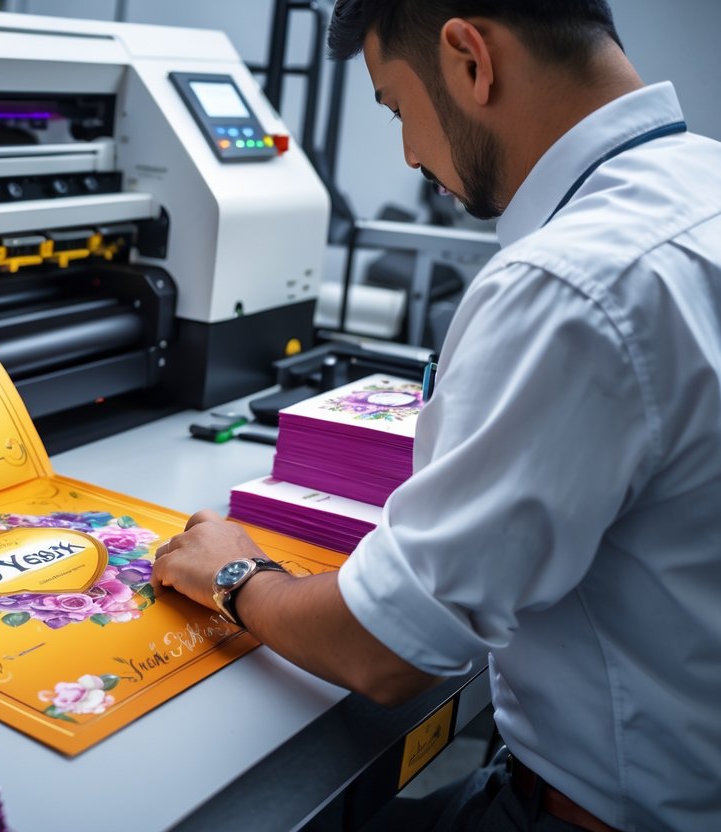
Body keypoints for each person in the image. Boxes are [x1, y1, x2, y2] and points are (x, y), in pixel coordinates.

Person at [151, 1, 721, 830]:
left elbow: (385, 650)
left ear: (469, 59)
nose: (412, 153)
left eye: (394, 107)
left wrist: (235, 574)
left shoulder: (569, 283)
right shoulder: (699, 189)